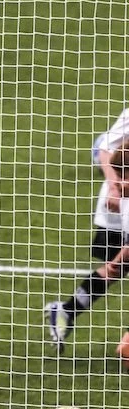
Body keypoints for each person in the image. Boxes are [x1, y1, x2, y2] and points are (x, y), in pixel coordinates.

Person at [47, 115, 129, 353]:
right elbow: (105, 149)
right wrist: (116, 189)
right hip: (120, 208)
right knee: (117, 265)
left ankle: (66, 311)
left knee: (118, 266)